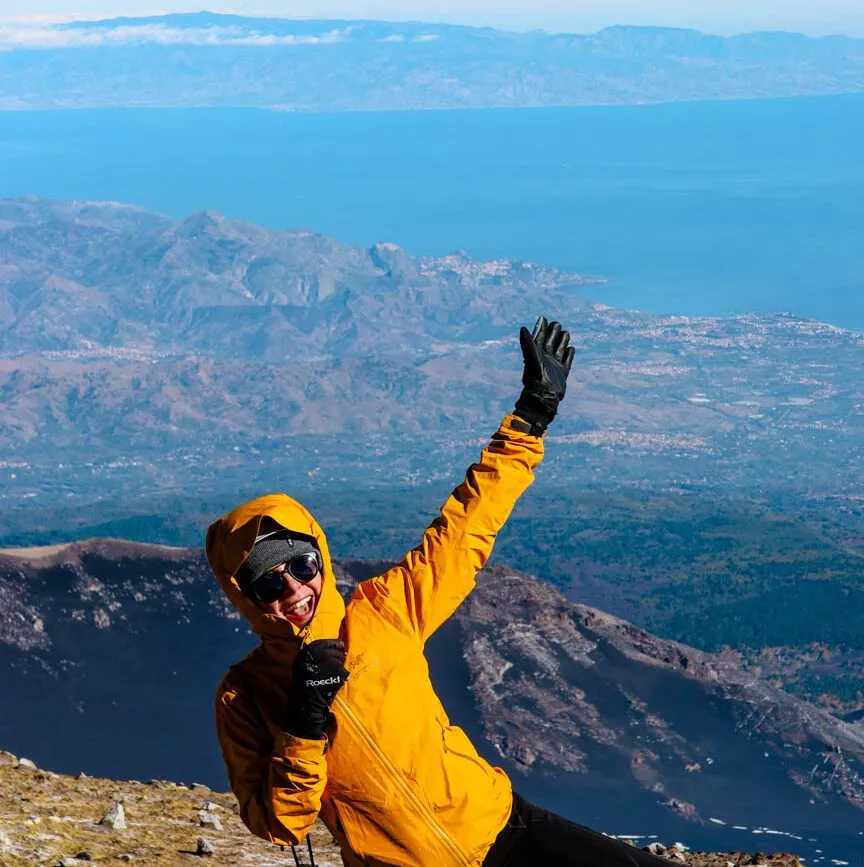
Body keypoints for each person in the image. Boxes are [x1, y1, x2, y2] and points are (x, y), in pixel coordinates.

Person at [206, 316, 674, 867]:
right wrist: (305, 722)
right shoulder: (243, 695)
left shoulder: (383, 612)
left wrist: (533, 414)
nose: (294, 587)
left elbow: (465, 530)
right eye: (268, 581)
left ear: (321, 559)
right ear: (244, 596)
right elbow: (280, 825)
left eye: (302, 565)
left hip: (501, 828)